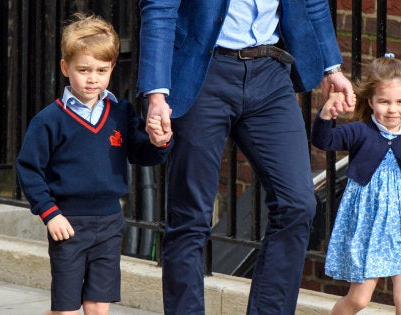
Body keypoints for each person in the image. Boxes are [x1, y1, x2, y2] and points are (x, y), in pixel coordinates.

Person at [137, 1, 355, 314]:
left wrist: (331, 68)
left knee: (297, 204)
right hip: (203, 71)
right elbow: (159, 8)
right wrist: (156, 95)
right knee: (191, 217)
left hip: (270, 74)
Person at [16, 13, 171, 315]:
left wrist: (158, 142)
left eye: (102, 70)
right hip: (69, 223)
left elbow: (142, 154)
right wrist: (50, 214)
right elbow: (29, 169)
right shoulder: (49, 120)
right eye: (83, 69)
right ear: (65, 68)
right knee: (67, 309)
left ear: (112, 68)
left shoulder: (121, 112)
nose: (92, 78)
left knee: (99, 307)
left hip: (111, 222)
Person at [311, 54, 401, 315]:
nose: (392, 109)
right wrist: (326, 114)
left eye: (400, 102)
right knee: (359, 299)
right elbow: (324, 141)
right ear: (370, 101)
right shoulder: (361, 132)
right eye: (384, 101)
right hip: (369, 227)